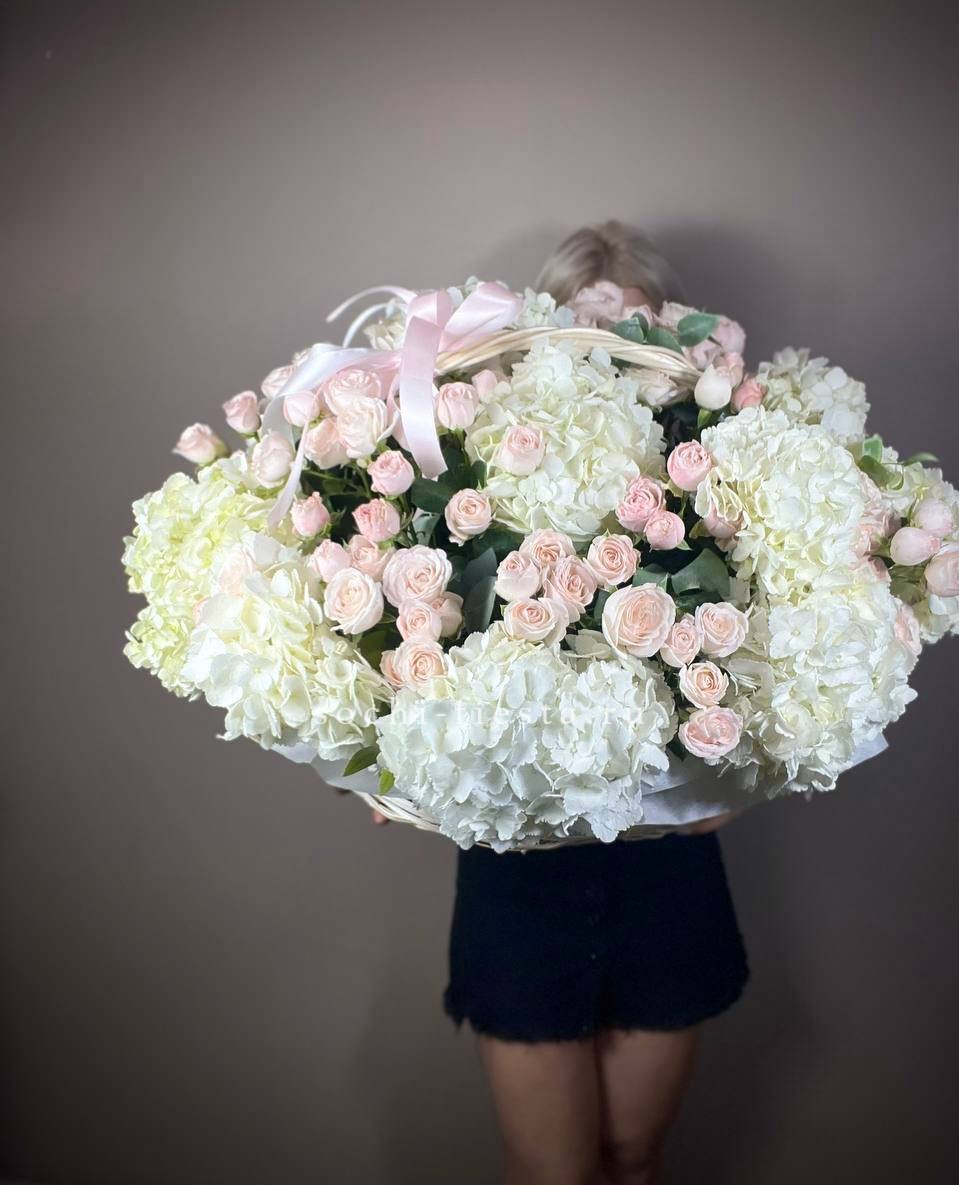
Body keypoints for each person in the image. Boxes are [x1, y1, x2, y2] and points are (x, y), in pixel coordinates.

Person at [377, 221, 749, 1185]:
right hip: (521, 884)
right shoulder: (480, 470)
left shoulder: (718, 474)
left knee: (633, 1157)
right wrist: (393, 757)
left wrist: (746, 767)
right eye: (589, 323)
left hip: (667, 872)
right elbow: (398, 654)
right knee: (553, 1174)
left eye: (634, 326)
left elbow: (765, 662)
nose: (611, 346)